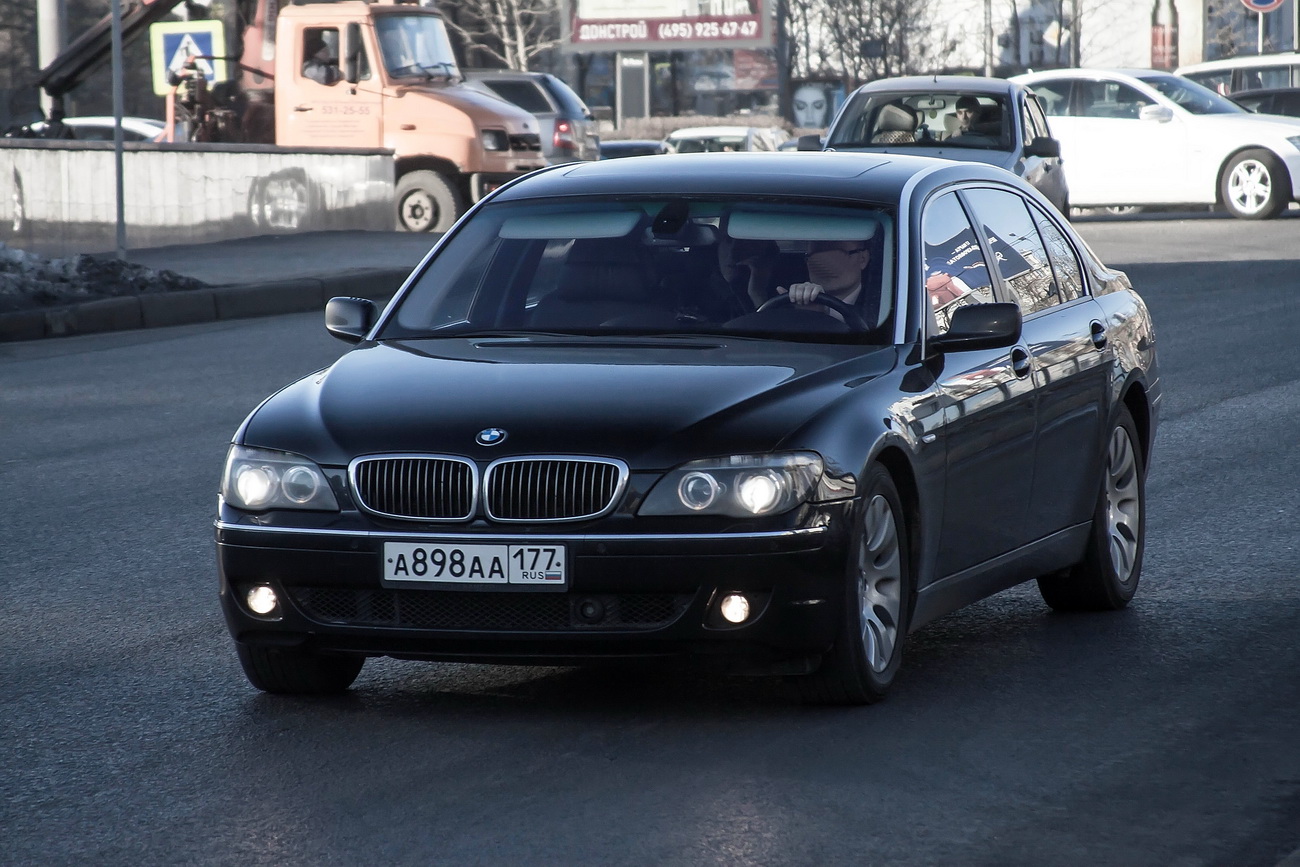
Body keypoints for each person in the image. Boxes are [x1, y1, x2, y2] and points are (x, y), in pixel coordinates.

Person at [778, 238, 874, 323]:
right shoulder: (783, 309)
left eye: (837, 256)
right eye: (817, 257)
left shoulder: (882, 308)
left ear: (863, 259)